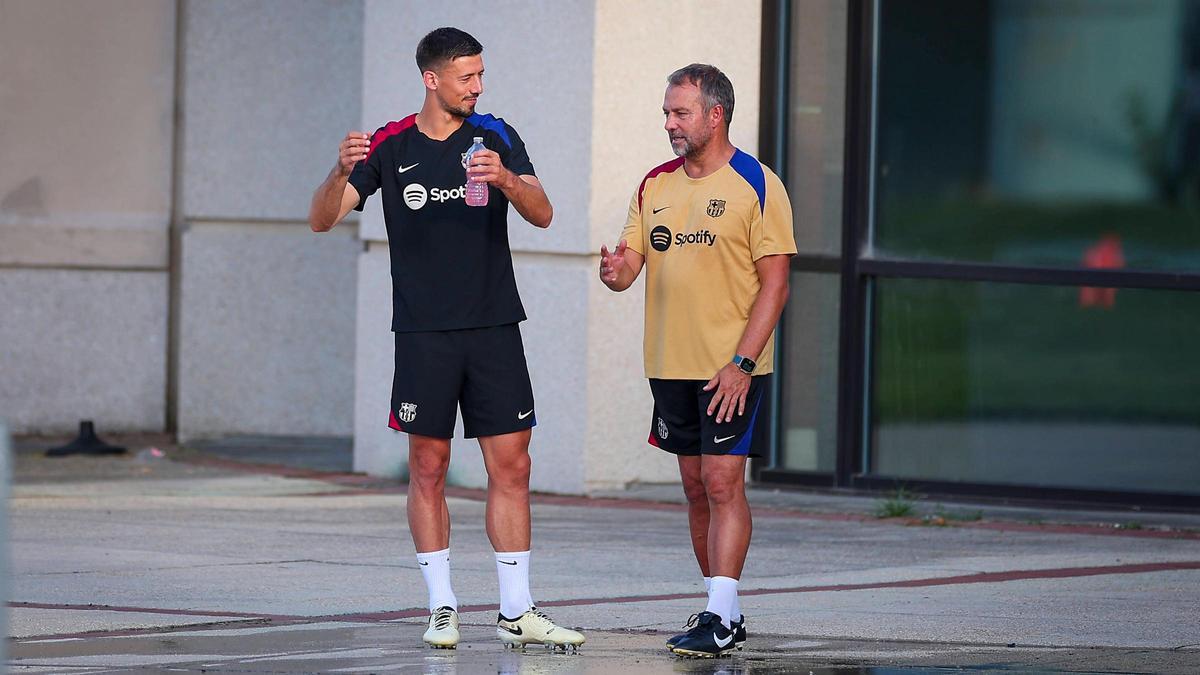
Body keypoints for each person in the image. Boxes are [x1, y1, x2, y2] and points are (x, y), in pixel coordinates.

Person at [309, 26, 583, 652]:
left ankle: (518, 610)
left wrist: (508, 180)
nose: (478, 87)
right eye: (467, 77)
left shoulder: (497, 135)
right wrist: (340, 168)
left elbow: (544, 212)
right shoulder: (389, 143)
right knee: (428, 467)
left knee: (512, 465)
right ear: (432, 79)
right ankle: (441, 607)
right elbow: (323, 219)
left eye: (481, 75)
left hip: (493, 328)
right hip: (424, 334)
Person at [599, 63, 796, 658]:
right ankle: (723, 612)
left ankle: (718, 612)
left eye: (680, 112)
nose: (669, 124)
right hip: (669, 363)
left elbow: (777, 284)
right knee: (692, 486)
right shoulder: (654, 184)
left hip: (730, 367)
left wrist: (742, 360)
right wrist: (615, 273)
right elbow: (632, 264)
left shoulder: (758, 184)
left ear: (716, 113)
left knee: (720, 480)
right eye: (666, 112)